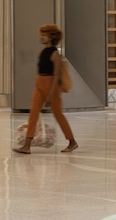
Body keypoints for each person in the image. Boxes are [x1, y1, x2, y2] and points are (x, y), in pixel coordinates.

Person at [16, 23, 78, 154]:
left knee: (58, 114)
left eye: (44, 35)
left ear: (51, 37)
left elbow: (56, 76)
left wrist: (50, 94)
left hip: (51, 86)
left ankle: (72, 142)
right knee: (33, 113)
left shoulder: (55, 54)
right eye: (41, 34)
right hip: (39, 83)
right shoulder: (42, 52)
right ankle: (27, 145)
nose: (41, 37)